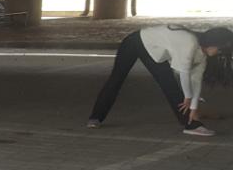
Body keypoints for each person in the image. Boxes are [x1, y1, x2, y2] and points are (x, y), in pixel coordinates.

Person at [88, 25, 233, 136]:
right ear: (212, 42)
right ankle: (95, 118)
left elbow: (196, 81)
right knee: (116, 79)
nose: (219, 53)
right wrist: (188, 97)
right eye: (220, 48)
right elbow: (184, 73)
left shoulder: (202, 57)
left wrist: (193, 109)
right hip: (135, 41)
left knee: (169, 84)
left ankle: (191, 123)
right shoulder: (189, 42)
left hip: (154, 52)